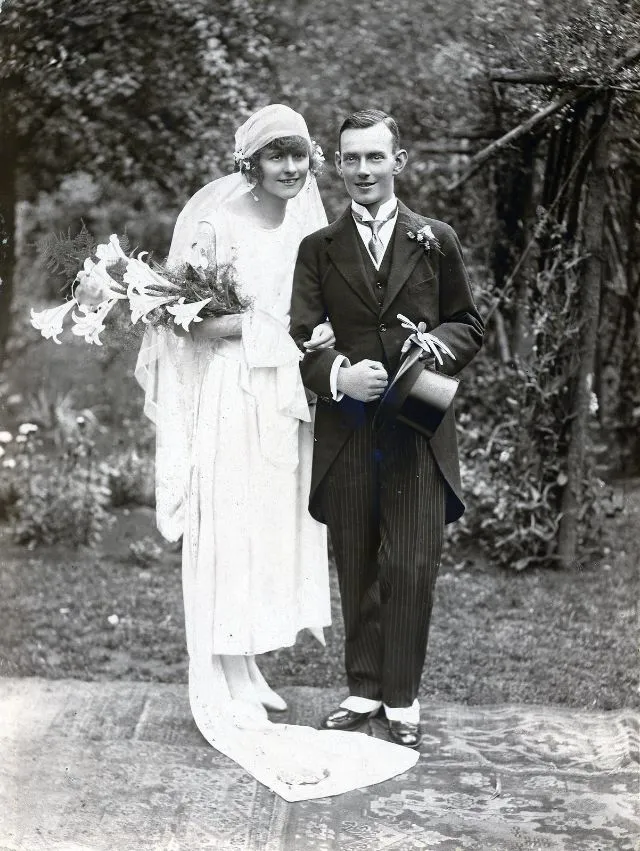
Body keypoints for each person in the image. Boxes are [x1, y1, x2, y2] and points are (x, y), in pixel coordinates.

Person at [134, 104, 419, 801]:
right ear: (250, 162)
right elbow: (190, 324)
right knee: (228, 524)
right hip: (234, 392)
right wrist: (271, 331)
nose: (291, 168)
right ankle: (221, 669)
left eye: (299, 155)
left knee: (267, 526)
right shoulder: (217, 219)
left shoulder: (308, 222)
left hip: (286, 395)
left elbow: (316, 307)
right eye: (275, 157)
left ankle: (248, 662)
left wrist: (317, 342)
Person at [290, 109, 484, 749]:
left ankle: (402, 701)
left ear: (399, 162)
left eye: (376, 157)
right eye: (352, 159)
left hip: (419, 426)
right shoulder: (317, 248)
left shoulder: (437, 238)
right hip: (347, 429)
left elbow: (466, 324)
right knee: (358, 560)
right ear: (337, 165)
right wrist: (339, 378)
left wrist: (433, 351)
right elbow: (301, 336)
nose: (363, 170)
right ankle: (362, 689)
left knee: (411, 564)